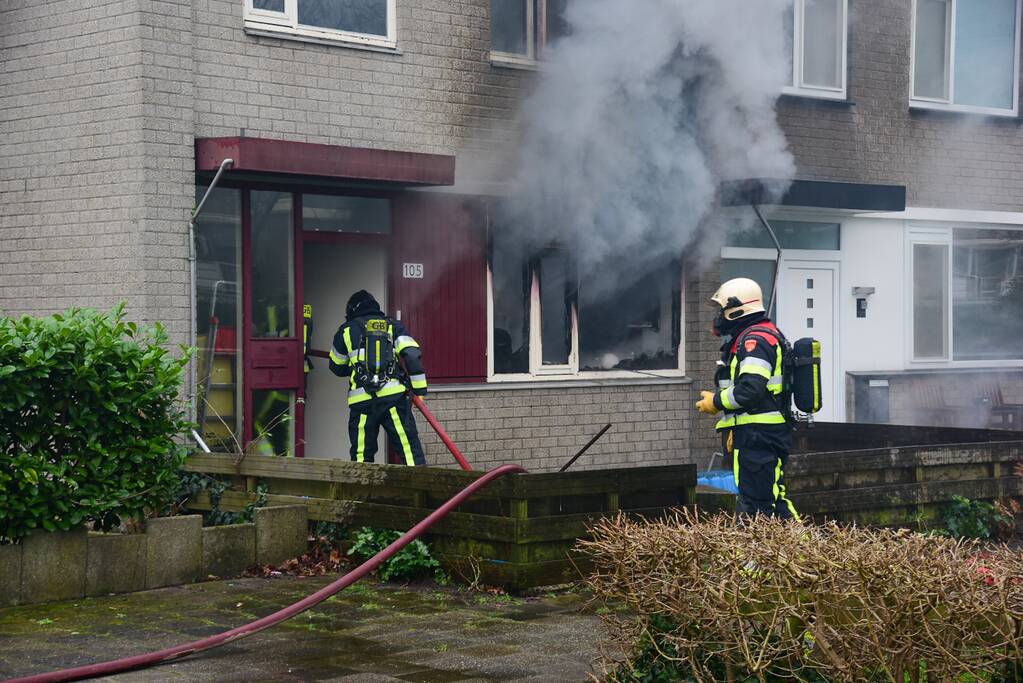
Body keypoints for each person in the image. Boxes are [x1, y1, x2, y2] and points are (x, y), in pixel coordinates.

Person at [695, 277, 798, 519]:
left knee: (759, 504)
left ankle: (790, 543)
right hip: (757, 434)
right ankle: (795, 544)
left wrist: (716, 402)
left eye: (722, 310)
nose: (719, 316)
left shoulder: (755, 341)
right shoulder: (756, 336)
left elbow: (750, 390)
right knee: (769, 501)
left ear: (737, 309)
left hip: (758, 435)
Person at [329, 290, 428, 466]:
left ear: (351, 310)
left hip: (361, 403)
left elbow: (336, 366)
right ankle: (420, 484)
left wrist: (356, 366)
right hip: (393, 400)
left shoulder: (346, 331)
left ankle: (362, 484)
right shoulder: (393, 326)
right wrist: (419, 391)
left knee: (361, 456)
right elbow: (412, 355)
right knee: (409, 451)